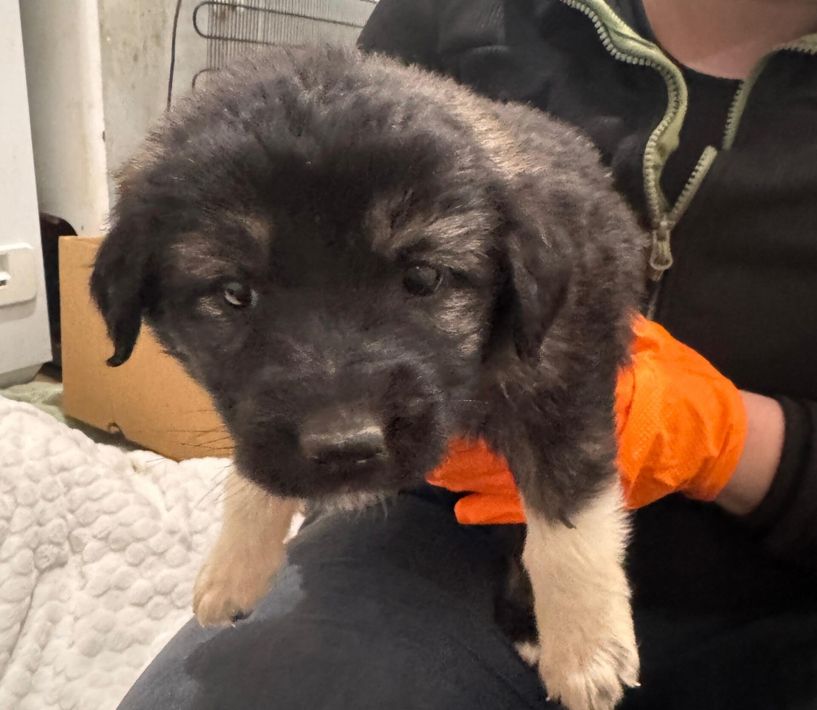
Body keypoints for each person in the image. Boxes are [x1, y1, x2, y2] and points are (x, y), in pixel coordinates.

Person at [118, 1, 817, 708]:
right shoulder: (447, 21)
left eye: (421, 280)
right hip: (435, 526)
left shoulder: (534, 230)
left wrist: (729, 439)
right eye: (236, 293)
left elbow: (562, 403)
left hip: (775, 582)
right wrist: (258, 513)